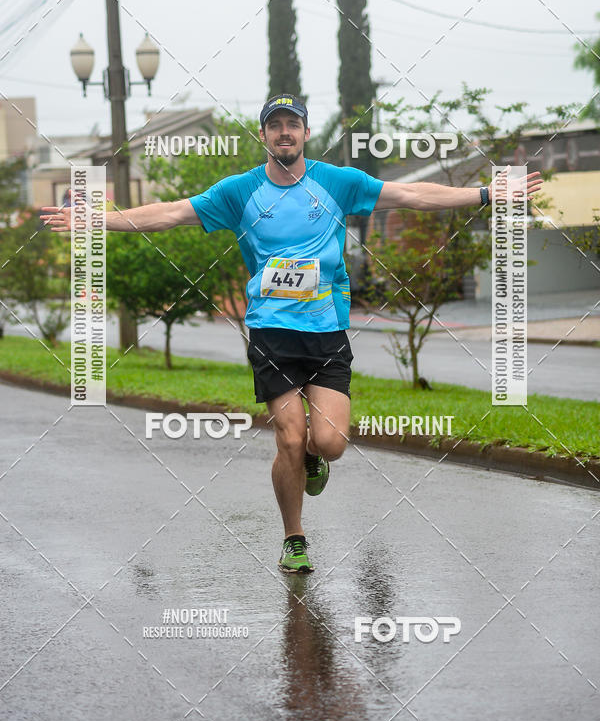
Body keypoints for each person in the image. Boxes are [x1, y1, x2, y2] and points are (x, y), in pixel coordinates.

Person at [41, 94, 543, 574]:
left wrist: (484, 193)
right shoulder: (239, 191)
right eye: (275, 125)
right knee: (288, 436)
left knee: (329, 443)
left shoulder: (336, 181)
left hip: (326, 331)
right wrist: (97, 219)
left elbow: (410, 194)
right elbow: (170, 212)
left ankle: (311, 457)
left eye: (293, 124)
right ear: (264, 135)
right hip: (271, 332)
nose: (285, 132)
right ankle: (294, 539)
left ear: (305, 133)